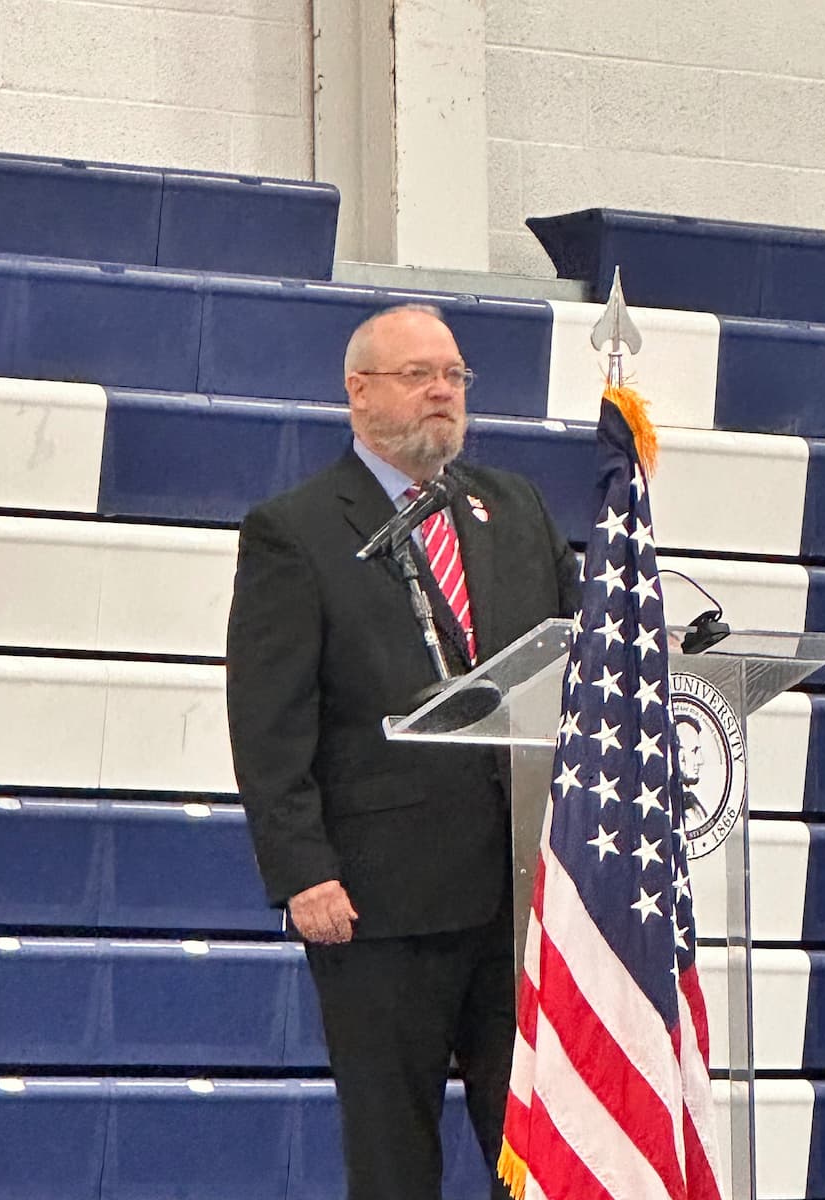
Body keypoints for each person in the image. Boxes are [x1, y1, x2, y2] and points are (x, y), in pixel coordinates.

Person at [226, 304, 580, 1200]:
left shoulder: (517, 509)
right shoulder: (295, 530)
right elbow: (269, 721)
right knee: (394, 1160)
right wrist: (303, 870)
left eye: (455, 376)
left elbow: (575, 659)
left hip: (521, 898)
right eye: (419, 375)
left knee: (545, 1154)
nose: (442, 393)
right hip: (380, 904)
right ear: (358, 391)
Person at [676, 712, 708, 825]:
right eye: (694, 751)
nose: (700, 761)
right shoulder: (672, 805)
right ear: (679, 756)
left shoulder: (692, 801)